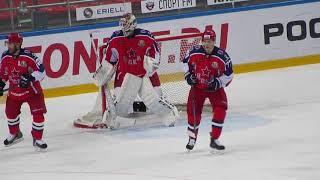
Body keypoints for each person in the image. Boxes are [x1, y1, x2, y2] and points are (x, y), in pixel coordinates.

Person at [74, 13, 178, 129]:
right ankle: (128, 110)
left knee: (156, 101)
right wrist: (104, 72)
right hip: (124, 75)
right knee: (120, 107)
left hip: (145, 75)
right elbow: (110, 60)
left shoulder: (146, 36)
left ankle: (169, 113)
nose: (124, 28)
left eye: (126, 25)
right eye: (122, 25)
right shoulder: (116, 38)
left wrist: (152, 65)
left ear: (133, 24)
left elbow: (156, 53)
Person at [183, 29, 234, 151]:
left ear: (214, 41)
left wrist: (218, 82)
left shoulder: (222, 56)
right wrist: (188, 75)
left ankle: (214, 139)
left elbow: (229, 74)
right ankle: (192, 138)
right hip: (198, 88)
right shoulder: (193, 52)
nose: (207, 44)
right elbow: (185, 63)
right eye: (204, 41)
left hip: (214, 89)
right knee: (193, 112)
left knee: (221, 109)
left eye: (209, 41)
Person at [0, 33, 47, 149]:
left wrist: (30, 77)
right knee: (10, 113)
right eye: (8, 43)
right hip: (14, 91)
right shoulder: (5, 56)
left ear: (18, 44)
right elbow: (3, 73)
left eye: (11, 44)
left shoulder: (29, 56)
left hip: (32, 92)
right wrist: (1, 84)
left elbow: (42, 72)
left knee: (38, 115)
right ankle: (15, 134)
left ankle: (37, 139)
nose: (9, 46)